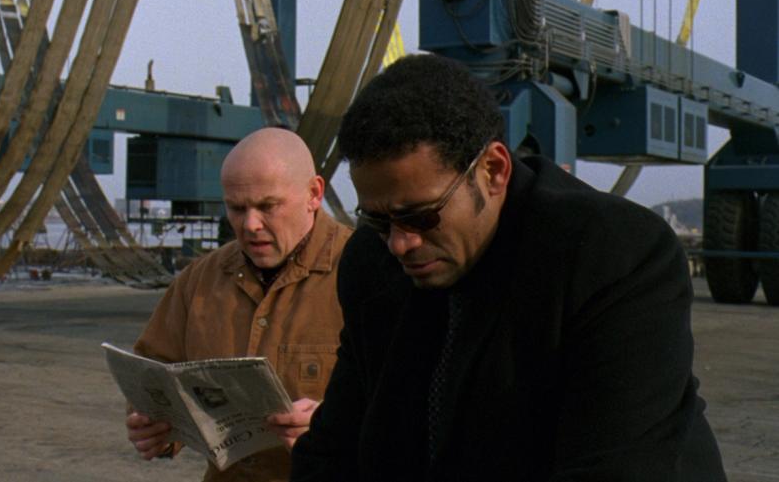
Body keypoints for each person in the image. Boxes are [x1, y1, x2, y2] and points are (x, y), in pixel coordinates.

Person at [290, 54, 727, 481]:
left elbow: (618, 467)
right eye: (378, 220)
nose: (400, 243)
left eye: (421, 216)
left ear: (493, 171)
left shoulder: (611, 256)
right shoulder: (371, 261)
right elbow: (334, 447)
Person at [126, 127, 352, 482]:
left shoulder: (365, 274)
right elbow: (151, 371)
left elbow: (412, 407)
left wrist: (336, 425)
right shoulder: (199, 280)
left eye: (268, 206)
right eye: (236, 208)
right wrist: (153, 425)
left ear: (314, 194)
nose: (250, 224)